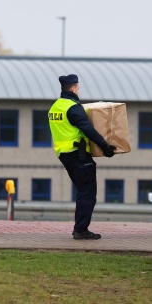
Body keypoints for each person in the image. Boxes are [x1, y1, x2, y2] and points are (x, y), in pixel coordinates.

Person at [48, 74, 116, 240]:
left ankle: (80, 228)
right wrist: (105, 147)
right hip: (78, 155)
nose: (79, 90)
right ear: (73, 88)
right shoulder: (73, 107)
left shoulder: (55, 108)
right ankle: (81, 230)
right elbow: (88, 129)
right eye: (78, 87)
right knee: (87, 192)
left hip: (64, 156)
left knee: (82, 191)